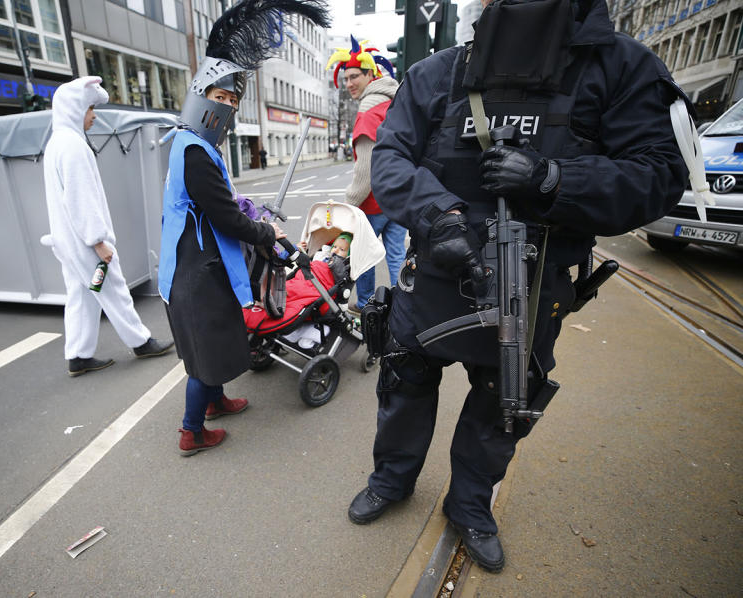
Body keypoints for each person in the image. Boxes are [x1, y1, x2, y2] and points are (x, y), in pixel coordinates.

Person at [347, 0, 689, 574]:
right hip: (434, 276)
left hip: (532, 285)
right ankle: (392, 479)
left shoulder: (619, 68)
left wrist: (553, 179)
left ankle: (470, 506)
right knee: (404, 381)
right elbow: (391, 160)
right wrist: (440, 216)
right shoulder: (438, 72)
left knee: (505, 404)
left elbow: (659, 176)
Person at [159, 0, 329, 456]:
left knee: (215, 343)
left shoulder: (192, 145)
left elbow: (223, 205)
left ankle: (215, 403)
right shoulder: (194, 150)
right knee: (204, 356)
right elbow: (224, 217)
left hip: (204, 265)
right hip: (196, 271)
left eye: (234, 100)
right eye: (221, 97)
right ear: (201, 96)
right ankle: (192, 431)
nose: (229, 107)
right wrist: (265, 232)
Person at [42, 76, 174, 377]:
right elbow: (81, 199)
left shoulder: (56, 144)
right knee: (113, 288)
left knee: (82, 295)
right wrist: (98, 241)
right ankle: (141, 342)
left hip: (67, 240)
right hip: (85, 242)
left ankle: (78, 355)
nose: (94, 115)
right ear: (76, 109)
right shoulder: (74, 146)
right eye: (90, 108)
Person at [326, 36, 406, 315]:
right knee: (397, 256)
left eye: (354, 76)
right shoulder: (393, 103)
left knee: (365, 257)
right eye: (345, 78)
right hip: (398, 196)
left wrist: (349, 205)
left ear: (371, 74)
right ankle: (402, 307)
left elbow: (364, 171)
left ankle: (368, 306)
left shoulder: (368, 111)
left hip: (373, 202)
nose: (349, 84)